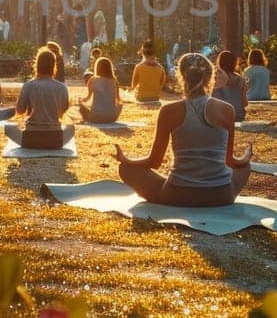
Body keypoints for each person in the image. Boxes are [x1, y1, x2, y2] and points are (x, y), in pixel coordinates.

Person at [115, 53, 254, 206]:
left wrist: (127, 160)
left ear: (181, 76)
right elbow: (230, 161)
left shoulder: (168, 111)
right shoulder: (227, 110)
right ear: (210, 78)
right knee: (244, 168)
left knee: (125, 169)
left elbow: (154, 162)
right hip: (221, 195)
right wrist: (245, 158)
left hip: (176, 194)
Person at [7, 48, 74, 149]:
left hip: (31, 138)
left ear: (37, 65)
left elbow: (20, 110)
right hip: (55, 138)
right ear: (54, 66)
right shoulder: (62, 87)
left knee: (8, 128)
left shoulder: (28, 85)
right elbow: (62, 112)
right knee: (71, 128)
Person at [78, 57, 124, 123]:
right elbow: (118, 99)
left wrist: (80, 100)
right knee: (120, 104)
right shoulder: (115, 81)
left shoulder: (92, 80)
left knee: (81, 106)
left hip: (97, 117)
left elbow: (88, 98)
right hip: (112, 117)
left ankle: (88, 118)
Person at [211, 50, 247, 121]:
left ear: (219, 62)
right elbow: (245, 103)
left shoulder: (213, 79)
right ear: (234, 63)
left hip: (218, 114)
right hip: (237, 114)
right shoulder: (241, 80)